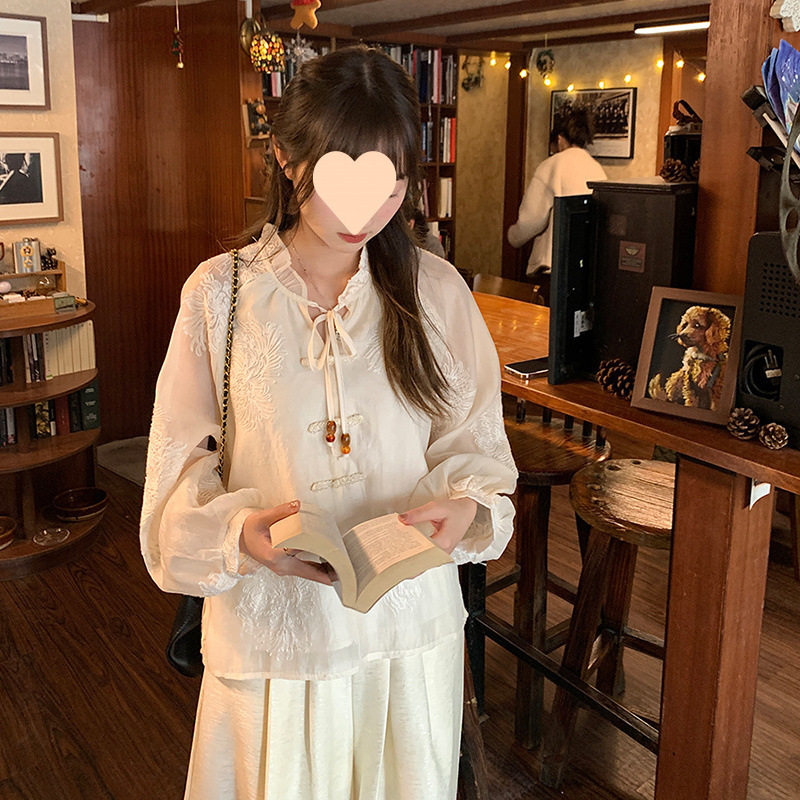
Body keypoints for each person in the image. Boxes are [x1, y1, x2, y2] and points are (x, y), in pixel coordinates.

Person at [140, 45, 517, 800]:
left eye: (389, 183)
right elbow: (176, 475)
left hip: (408, 637)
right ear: (286, 157)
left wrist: (466, 507)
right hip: (276, 643)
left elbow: (475, 445)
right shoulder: (220, 296)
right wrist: (237, 535)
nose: (364, 213)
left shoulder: (436, 292)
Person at [507, 106, 607, 276]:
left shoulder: (553, 165)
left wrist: (513, 237)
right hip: (586, 263)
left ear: (560, 139)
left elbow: (531, 220)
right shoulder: (597, 169)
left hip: (553, 264)